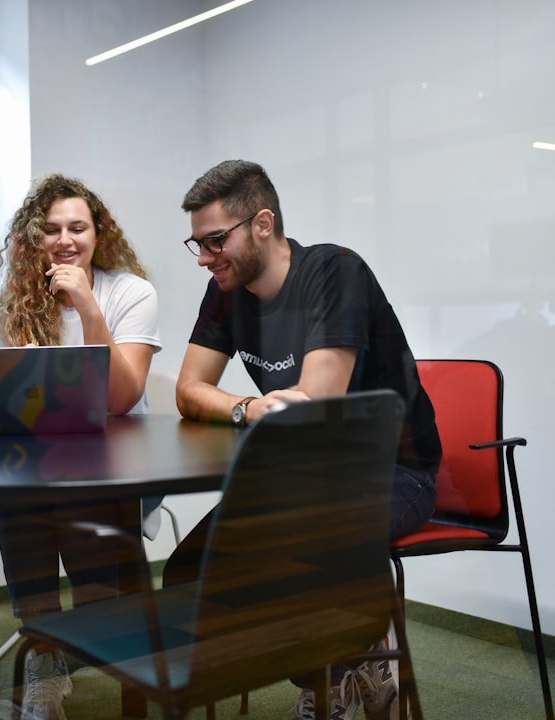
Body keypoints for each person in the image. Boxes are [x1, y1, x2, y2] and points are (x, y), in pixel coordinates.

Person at [164, 159, 441, 720]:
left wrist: (270, 409)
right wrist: (247, 407)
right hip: (300, 477)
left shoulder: (335, 271)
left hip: (393, 471)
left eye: (216, 240)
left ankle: (329, 671)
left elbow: (316, 402)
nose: (206, 258)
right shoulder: (226, 288)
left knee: (300, 543)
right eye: (197, 244)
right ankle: (355, 654)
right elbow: (188, 391)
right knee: (187, 570)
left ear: (263, 224)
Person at [0, 174, 162, 720]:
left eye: (77, 227)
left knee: (66, 497)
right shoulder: (12, 304)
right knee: (20, 493)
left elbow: (123, 398)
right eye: (51, 229)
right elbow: (5, 402)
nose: (65, 239)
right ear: (33, 238)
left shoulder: (131, 292)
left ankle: (83, 635)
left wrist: (87, 307)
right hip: (38, 469)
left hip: (118, 469)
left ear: (97, 233)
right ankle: (43, 656)